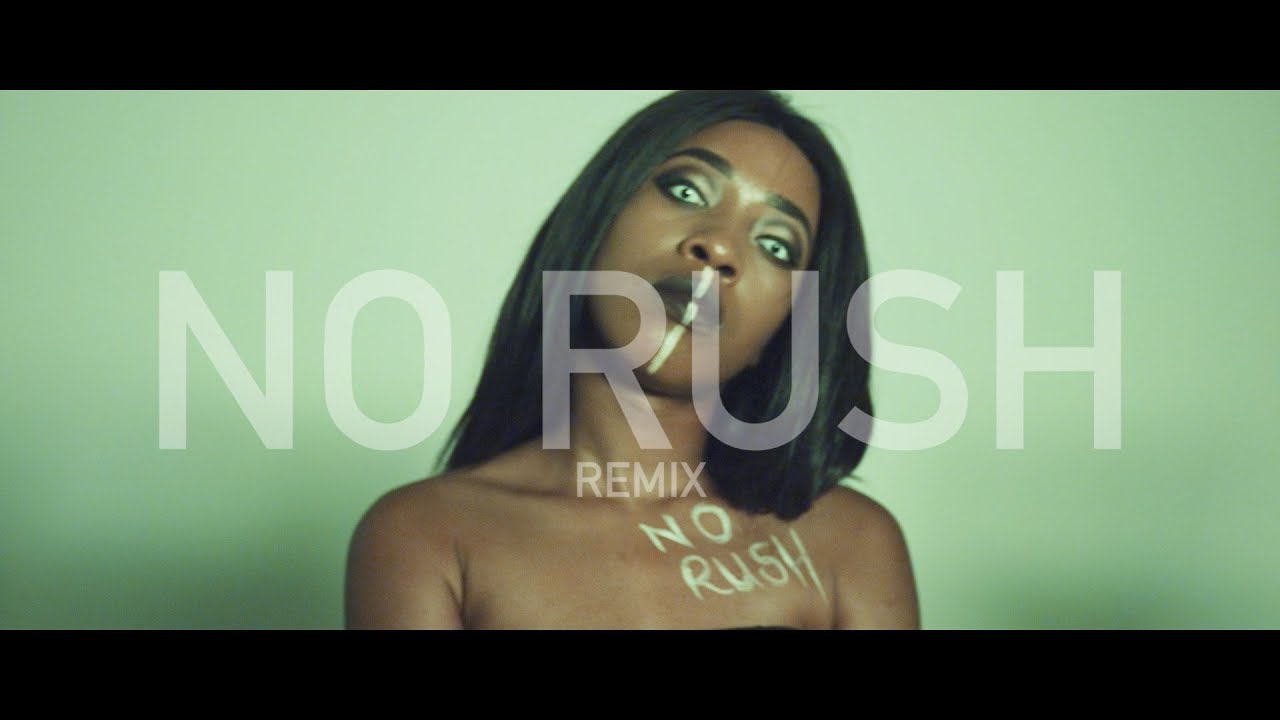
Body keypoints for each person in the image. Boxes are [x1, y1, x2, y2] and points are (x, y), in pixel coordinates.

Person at [345, 90, 920, 629]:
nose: (719, 247)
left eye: (776, 245)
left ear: (781, 332)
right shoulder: (427, 537)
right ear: (598, 217)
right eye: (686, 191)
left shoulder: (851, 546)